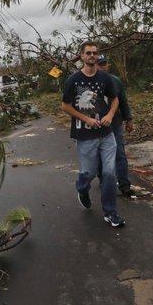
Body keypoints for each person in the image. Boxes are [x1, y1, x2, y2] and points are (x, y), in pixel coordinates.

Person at [61, 41, 126, 228]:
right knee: (88, 172)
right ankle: (82, 188)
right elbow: (65, 106)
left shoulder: (105, 79)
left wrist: (111, 114)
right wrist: (86, 118)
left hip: (107, 134)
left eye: (95, 53)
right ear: (81, 56)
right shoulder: (73, 80)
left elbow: (115, 99)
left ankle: (111, 213)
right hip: (85, 135)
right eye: (88, 53)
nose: (92, 55)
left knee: (109, 172)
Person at [96, 55, 134, 198]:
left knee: (119, 153)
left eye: (104, 63)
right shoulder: (90, 82)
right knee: (99, 154)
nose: (103, 66)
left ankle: (124, 185)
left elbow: (123, 101)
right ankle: (103, 181)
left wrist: (128, 119)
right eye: (100, 64)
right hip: (98, 125)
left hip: (115, 123)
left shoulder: (116, 81)